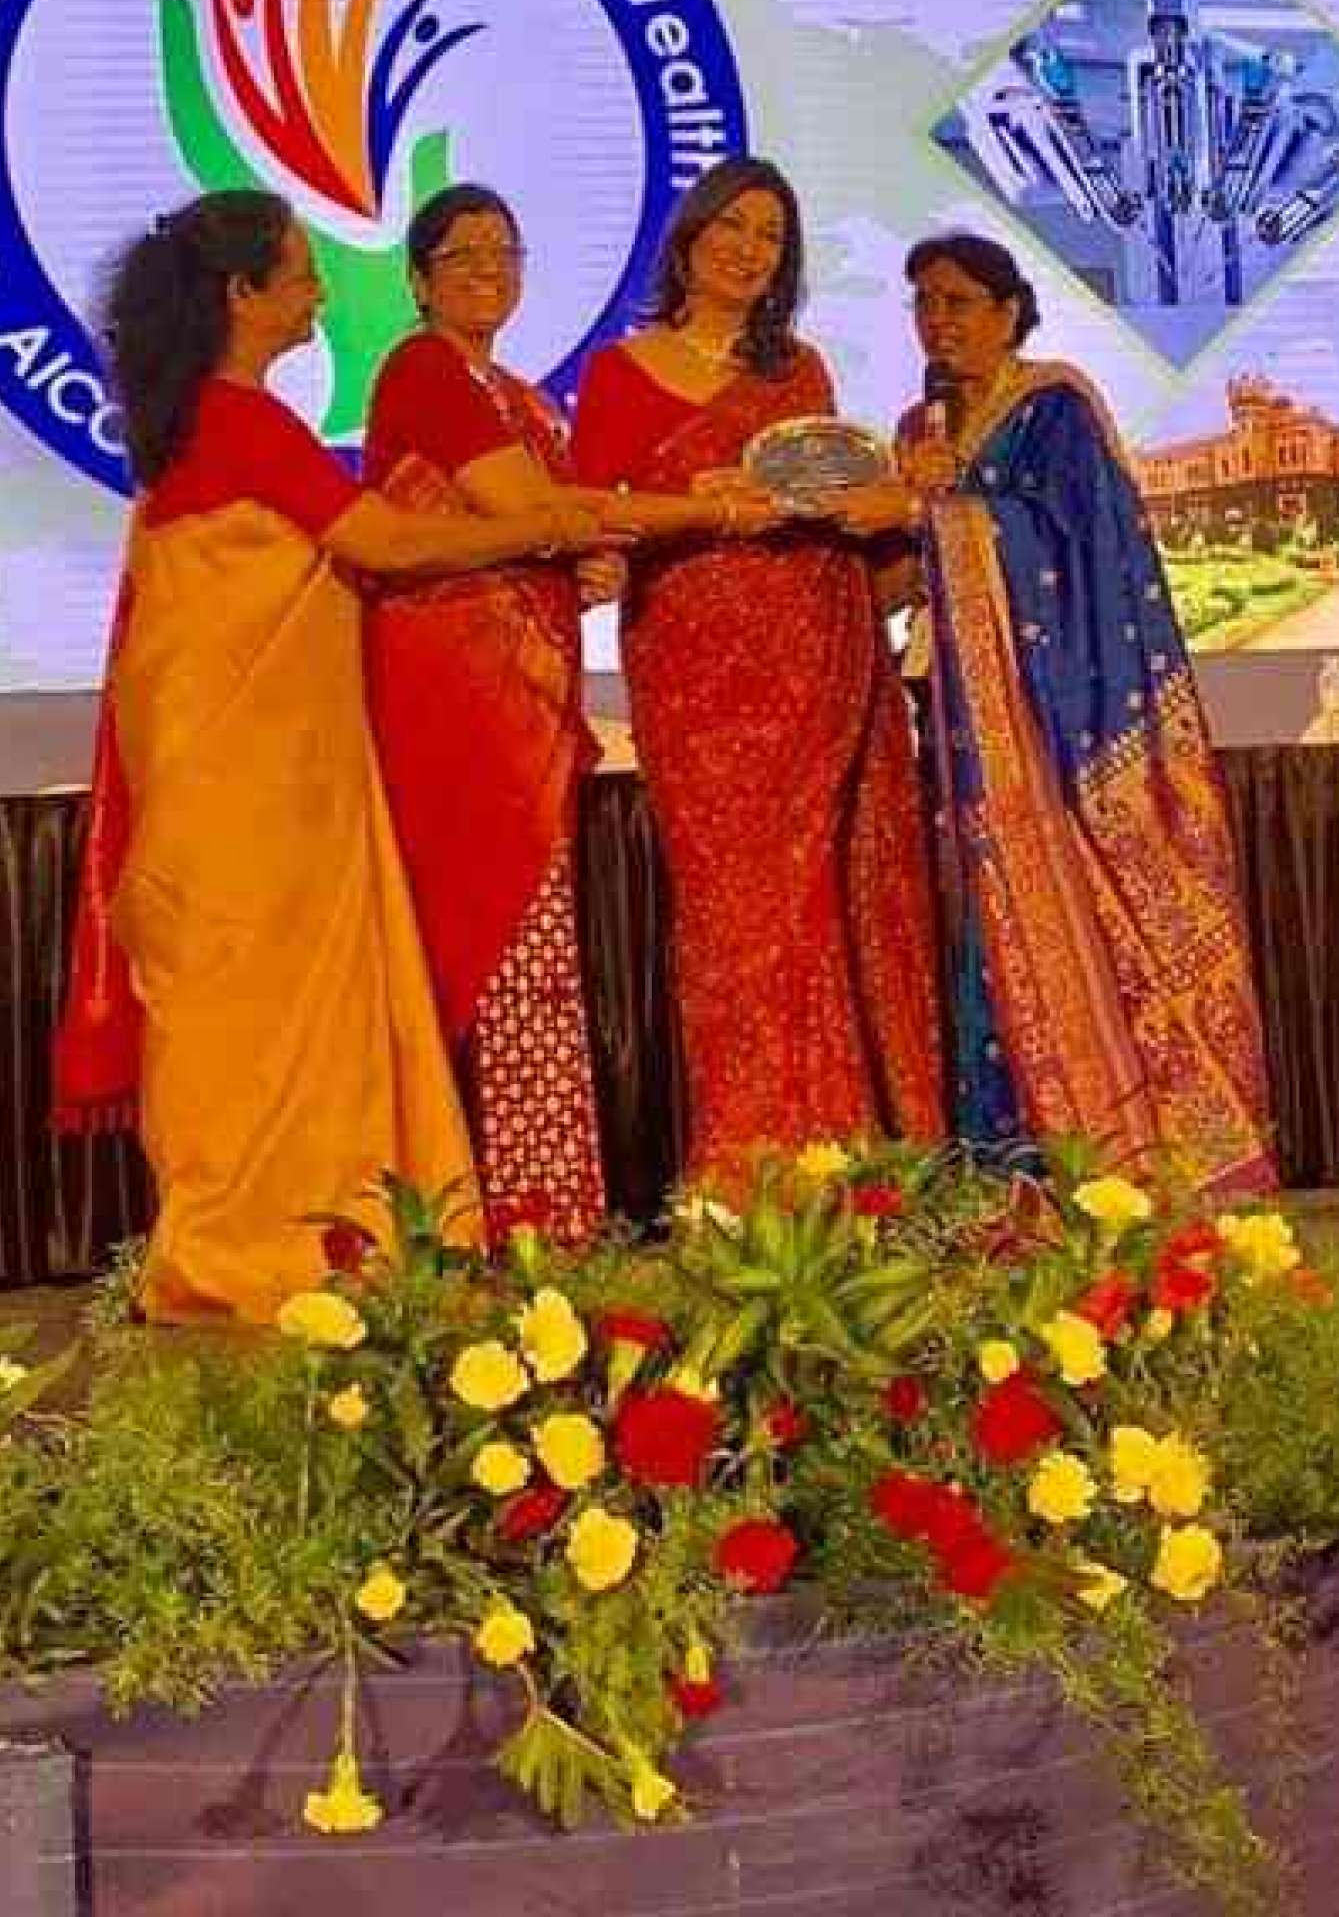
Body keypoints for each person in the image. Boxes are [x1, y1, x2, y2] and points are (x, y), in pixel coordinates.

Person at [53, 192, 606, 1323]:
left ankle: (284, 1234)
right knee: (263, 1018)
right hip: (253, 790)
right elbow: (386, 545)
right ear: (241, 296)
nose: (317, 293)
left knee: (254, 1015)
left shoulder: (212, 421)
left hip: (248, 783)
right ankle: (263, 1249)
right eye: (302, 275)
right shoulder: (240, 423)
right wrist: (549, 525)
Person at [364, 183, 772, 1244]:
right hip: (451, 695)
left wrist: (589, 561)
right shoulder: (424, 369)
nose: (487, 270)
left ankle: (543, 1214)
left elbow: (552, 530)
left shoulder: (522, 397)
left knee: (532, 952)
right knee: (483, 935)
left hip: (522, 692)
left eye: (505, 252)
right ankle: (473, 1217)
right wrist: (707, 508)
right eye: (462, 254)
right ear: (417, 279)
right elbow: (530, 513)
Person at [833, 230, 1275, 1196]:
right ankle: (1012, 1182)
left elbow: (1087, 547)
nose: (937, 321)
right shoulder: (918, 428)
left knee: (1087, 927)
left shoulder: (1054, 408)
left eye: (958, 301)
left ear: (1009, 312)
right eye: (923, 303)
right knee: (989, 942)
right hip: (965, 742)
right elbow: (909, 579)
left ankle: (1128, 1167)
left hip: (1068, 742)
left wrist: (931, 518)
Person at [572, 157, 945, 1192]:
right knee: (734, 915)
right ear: (689, 236)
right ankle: (749, 1175)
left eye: (771, 236)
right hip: (694, 669)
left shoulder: (800, 372)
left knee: (823, 902)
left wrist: (895, 502)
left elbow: (825, 501)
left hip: (817, 651)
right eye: (732, 226)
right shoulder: (621, 372)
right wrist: (702, 501)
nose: (749, 249)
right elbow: (596, 511)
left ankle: (848, 1163)